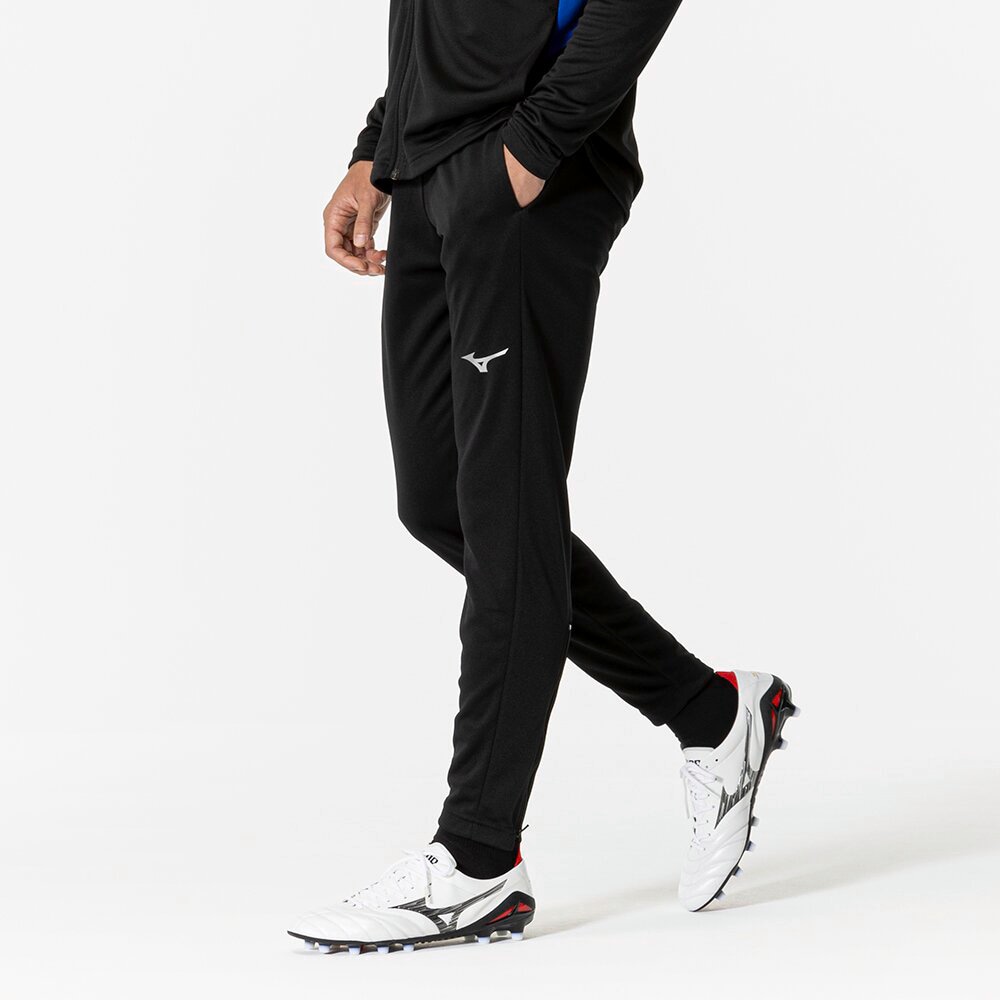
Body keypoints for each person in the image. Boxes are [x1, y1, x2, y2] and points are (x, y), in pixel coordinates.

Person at [289, 0, 798, 955]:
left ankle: (477, 858)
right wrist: (379, 148)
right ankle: (712, 712)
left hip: (526, 172)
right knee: (440, 501)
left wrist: (529, 152)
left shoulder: (526, 162)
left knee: (503, 510)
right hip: (432, 163)